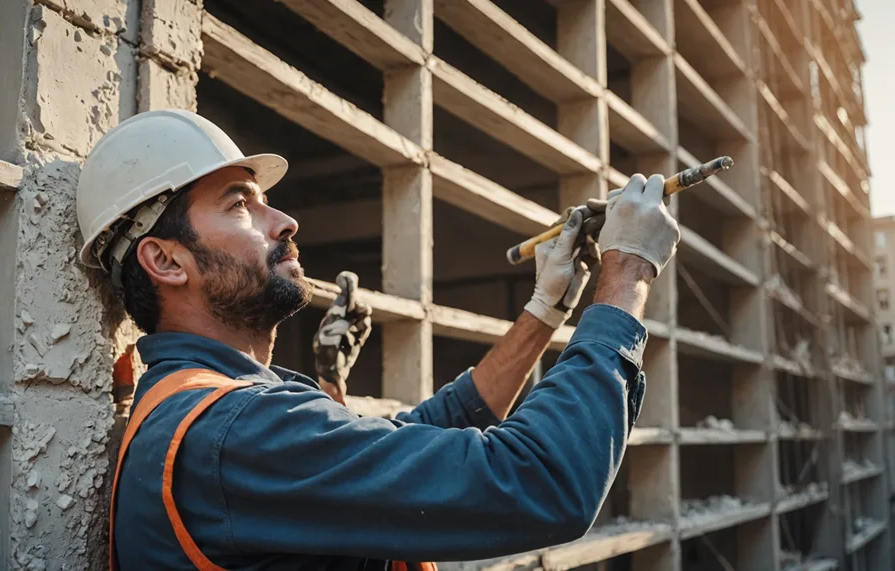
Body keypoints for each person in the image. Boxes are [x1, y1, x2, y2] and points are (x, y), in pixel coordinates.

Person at [75, 110, 680, 570]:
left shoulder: (209, 407)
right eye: (240, 205)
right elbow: (544, 482)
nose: (283, 221)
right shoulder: (234, 431)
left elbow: (429, 432)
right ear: (164, 259)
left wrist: (543, 311)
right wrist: (625, 275)